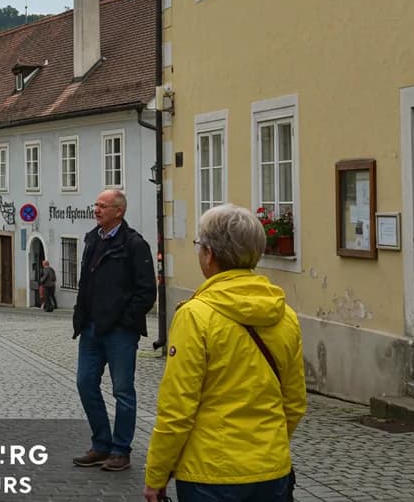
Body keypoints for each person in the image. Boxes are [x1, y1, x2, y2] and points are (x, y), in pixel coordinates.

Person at [143, 204, 306, 502]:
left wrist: (157, 474)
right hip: (272, 470)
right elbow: (294, 402)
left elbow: (177, 410)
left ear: (210, 254)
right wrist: (267, 446)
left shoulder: (195, 315)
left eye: (199, 247)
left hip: (210, 473)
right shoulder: (284, 315)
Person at [72, 189, 156, 473]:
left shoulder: (134, 245)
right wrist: (80, 317)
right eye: (95, 205)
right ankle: (101, 444)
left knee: (122, 391)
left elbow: (146, 292)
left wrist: (126, 320)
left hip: (120, 331)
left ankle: (121, 450)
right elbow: (85, 282)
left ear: (119, 211)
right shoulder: (92, 239)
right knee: (85, 383)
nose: (96, 210)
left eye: (103, 206)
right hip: (91, 328)